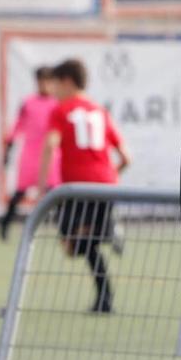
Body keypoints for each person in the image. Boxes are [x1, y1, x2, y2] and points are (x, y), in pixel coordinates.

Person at [38, 58, 128, 313]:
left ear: (66, 82)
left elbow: (50, 144)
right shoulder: (100, 110)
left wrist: (43, 185)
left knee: (72, 243)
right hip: (105, 187)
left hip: (77, 189)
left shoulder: (61, 110)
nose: (53, 90)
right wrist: (110, 178)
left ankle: (107, 236)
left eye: (55, 84)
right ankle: (107, 232)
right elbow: (125, 157)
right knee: (86, 243)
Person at [0, 65, 60, 241]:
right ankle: (4, 225)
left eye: (47, 81)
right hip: (31, 156)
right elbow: (17, 127)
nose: (44, 85)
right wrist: (8, 152)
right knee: (19, 194)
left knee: (56, 196)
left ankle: (63, 231)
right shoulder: (28, 103)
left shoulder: (57, 104)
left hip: (51, 158)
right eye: (40, 81)